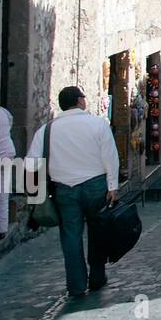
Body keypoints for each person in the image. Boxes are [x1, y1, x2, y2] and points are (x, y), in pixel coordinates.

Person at [24, 87, 120, 298]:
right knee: (97, 231)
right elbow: (110, 156)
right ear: (79, 101)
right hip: (95, 185)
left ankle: (76, 285)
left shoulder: (47, 130)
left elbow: (31, 163)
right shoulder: (97, 124)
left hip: (64, 188)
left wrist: (35, 198)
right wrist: (113, 186)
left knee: (70, 235)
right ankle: (97, 276)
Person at [0, 106, 16, 239]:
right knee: (2, 191)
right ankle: (2, 227)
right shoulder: (4, 112)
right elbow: (10, 123)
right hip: (7, 153)